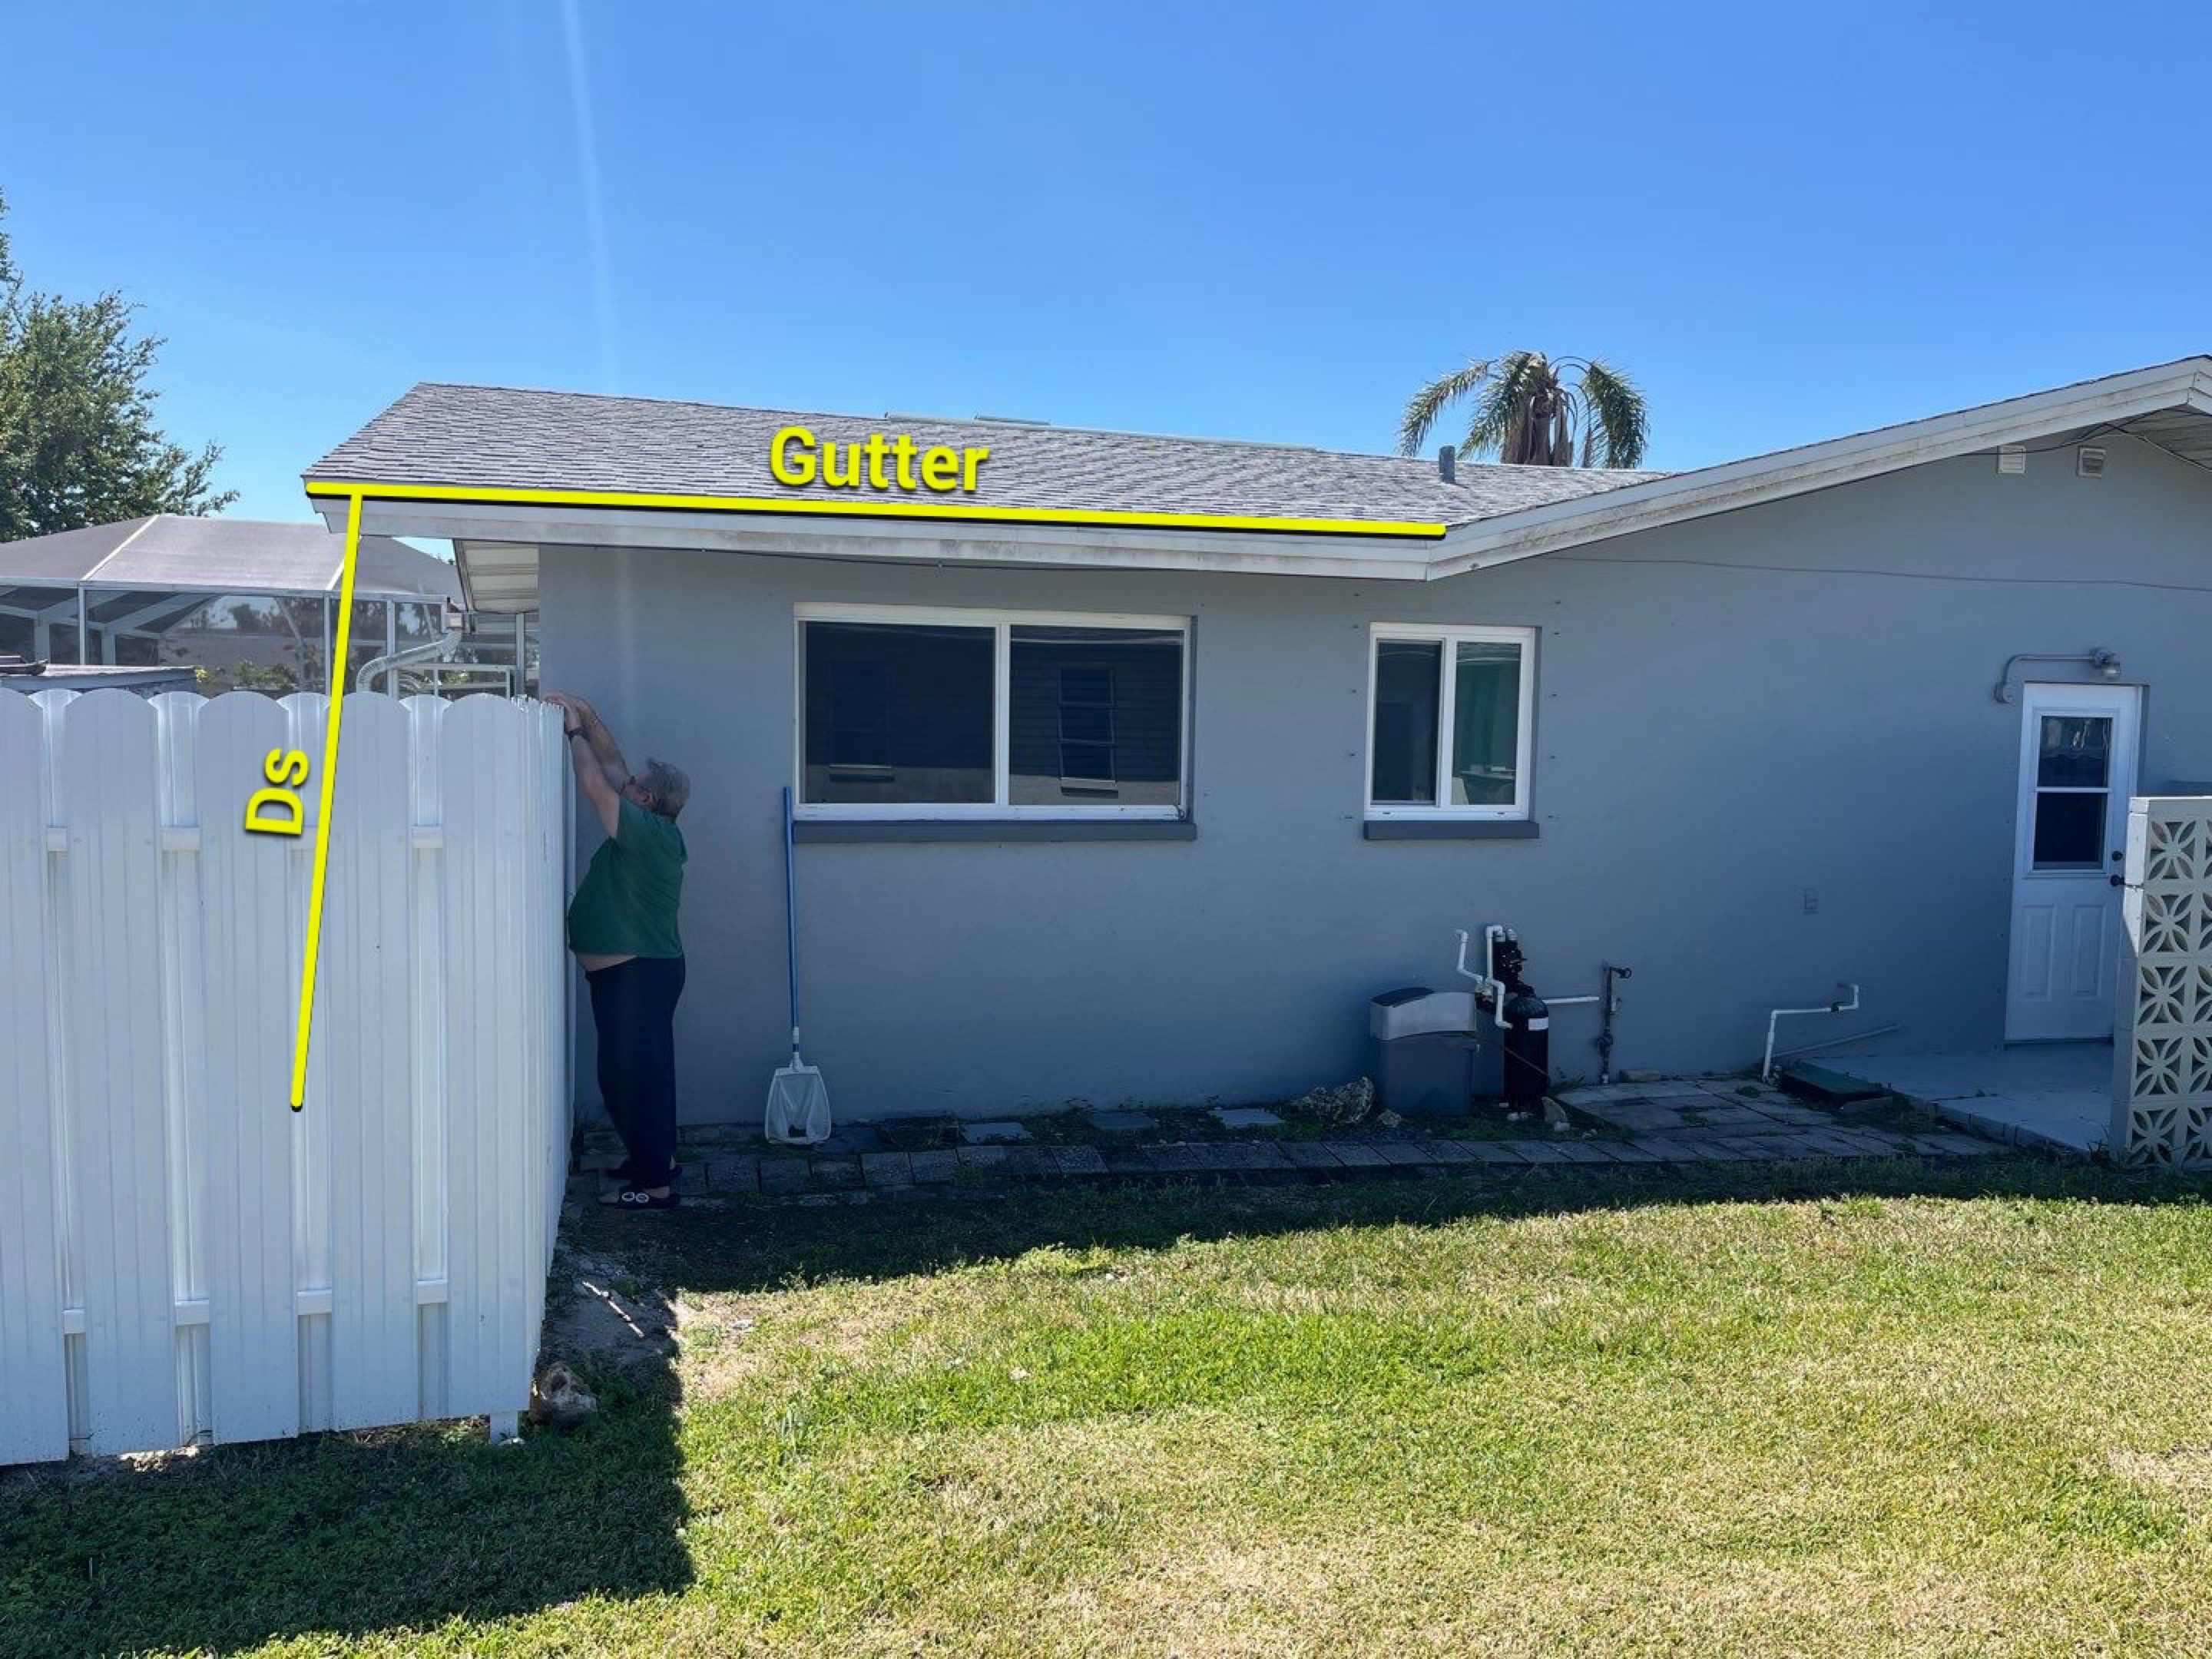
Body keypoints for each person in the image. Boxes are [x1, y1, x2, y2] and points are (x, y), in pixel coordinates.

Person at [545, 692, 690, 1210]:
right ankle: (657, 1161)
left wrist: (572, 734)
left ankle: (654, 1187)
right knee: (639, 1073)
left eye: (634, 785)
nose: (624, 783)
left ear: (647, 800)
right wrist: (588, 717)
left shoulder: (648, 834)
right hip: (634, 975)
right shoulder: (649, 826)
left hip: (639, 976)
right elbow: (610, 766)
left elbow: (592, 781)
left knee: (632, 1078)